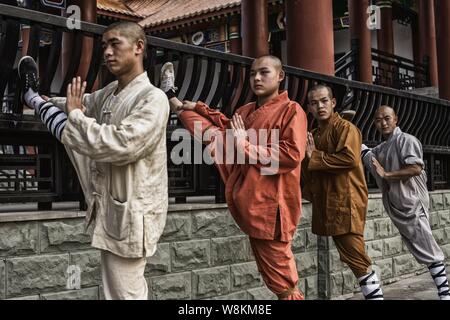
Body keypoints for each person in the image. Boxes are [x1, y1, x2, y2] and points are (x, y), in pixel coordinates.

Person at [17, 21, 170, 300]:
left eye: (115, 44)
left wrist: (74, 114)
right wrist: (56, 102)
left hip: (133, 215)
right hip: (114, 206)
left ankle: (32, 98)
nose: (108, 52)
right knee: (120, 291)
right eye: (104, 46)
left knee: (126, 295)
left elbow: (122, 145)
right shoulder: (111, 92)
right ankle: (36, 99)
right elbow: (84, 102)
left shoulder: (154, 98)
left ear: (139, 47)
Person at [160, 55, 307, 299]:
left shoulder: (292, 110)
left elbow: (291, 155)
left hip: (271, 205)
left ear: (280, 76)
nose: (257, 78)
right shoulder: (247, 110)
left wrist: (244, 145)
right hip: (248, 187)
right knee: (207, 128)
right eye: (252, 74)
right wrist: (197, 107)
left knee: (283, 282)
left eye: (264, 72)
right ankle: (173, 99)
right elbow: (227, 124)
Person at [302, 84, 384, 300]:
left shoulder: (346, 128)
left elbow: (348, 159)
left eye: (324, 101)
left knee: (357, 257)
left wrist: (315, 157)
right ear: (309, 107)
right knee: (352, 257)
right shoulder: (314, 134)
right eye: (314, 103)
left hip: (346, 202)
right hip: (329, 202)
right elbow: (307, 169)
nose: (320, 106)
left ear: (333, 103)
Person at [361, 105, 450, 300]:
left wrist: (387, 174)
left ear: (396, 119)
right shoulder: (383, 147)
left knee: (426, 244)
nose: (383, 123)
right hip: (397, 202)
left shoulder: (407, 140)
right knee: (422, 245)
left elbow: (415, 168)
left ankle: (445, 294)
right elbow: (368, 156)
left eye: (387, 118)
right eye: (378, 120)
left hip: (412, 202)